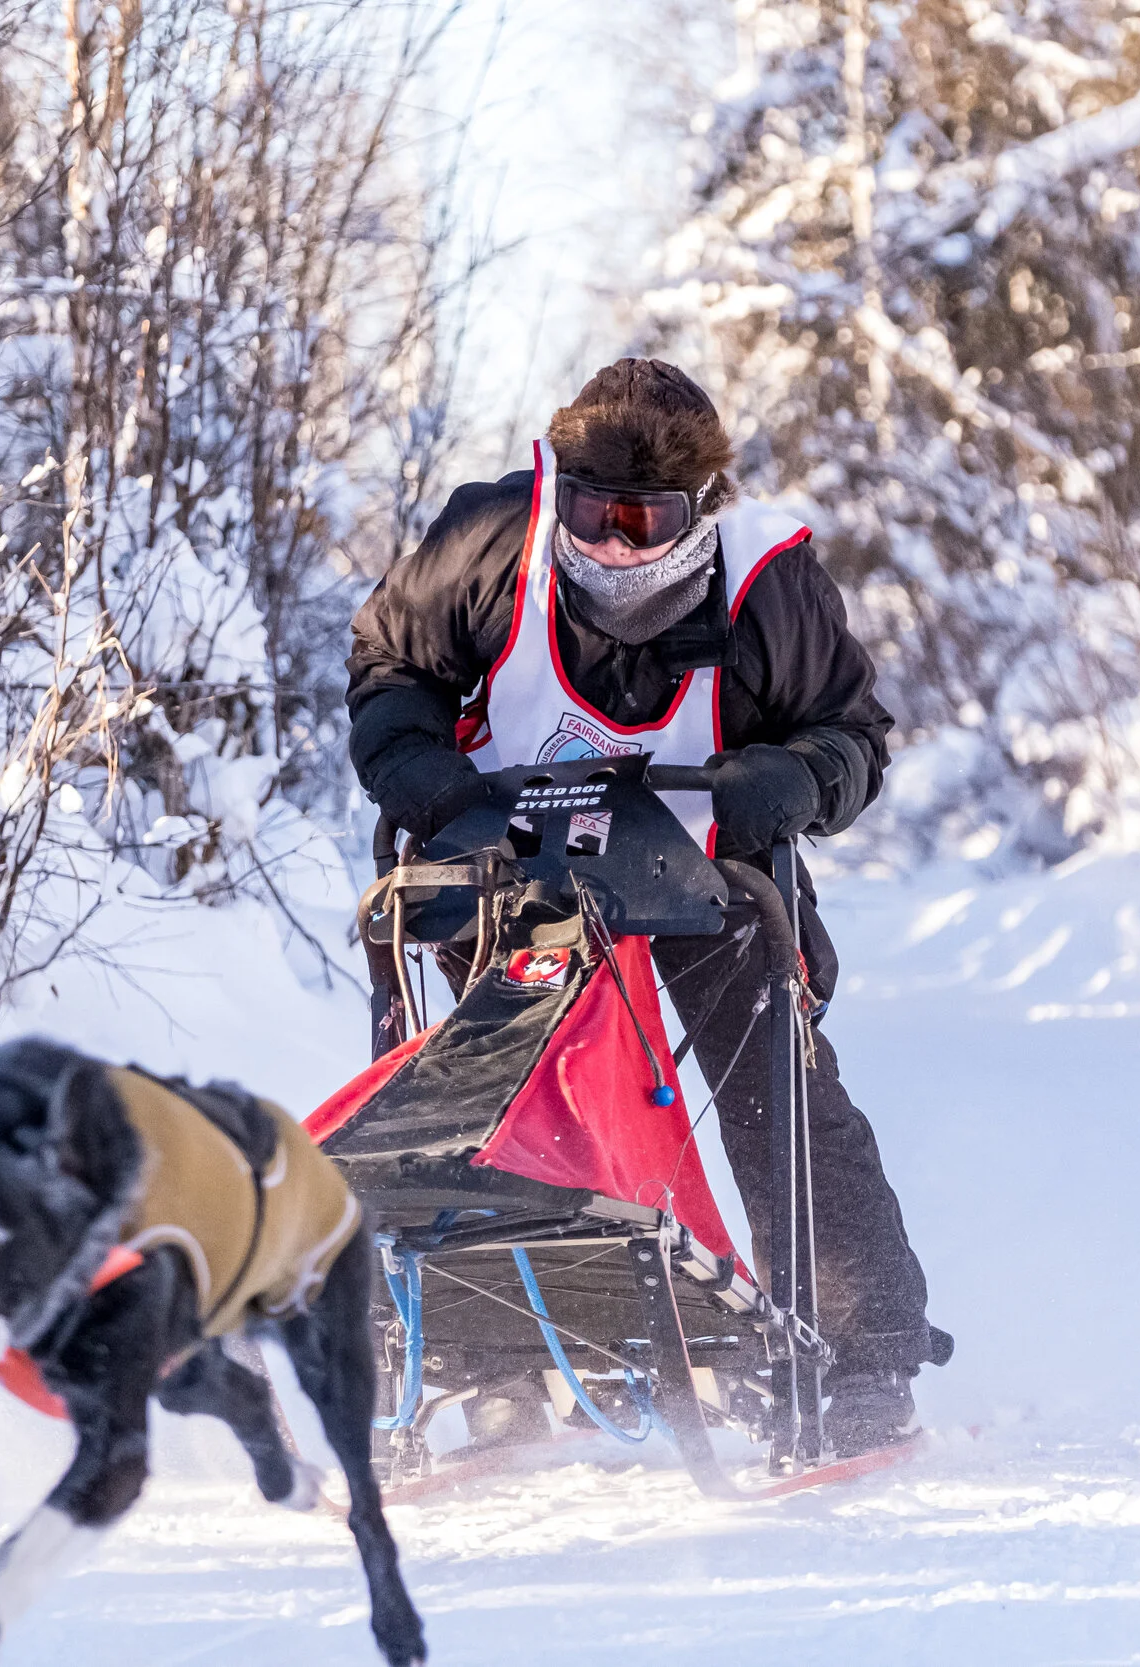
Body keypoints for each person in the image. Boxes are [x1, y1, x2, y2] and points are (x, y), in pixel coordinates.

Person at [344, 358, 941, 1452]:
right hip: (513, 860)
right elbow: (390, 667)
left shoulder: (767, 580)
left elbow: (853, 736)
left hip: (711, 869)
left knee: (778, 1096)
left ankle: (863, 1356)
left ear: (699, 508)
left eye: (642, 519)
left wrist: (792, 779)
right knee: (498, 1095)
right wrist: (435, 792)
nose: (613, 543)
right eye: (591, 512)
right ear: (557, 487)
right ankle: (493, 1354)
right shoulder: (489, 542)